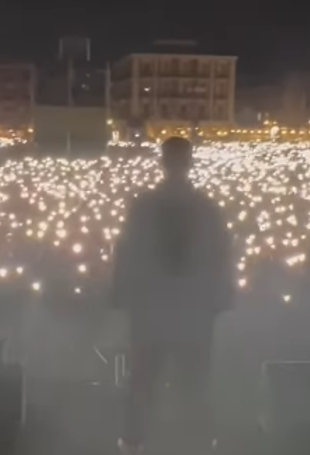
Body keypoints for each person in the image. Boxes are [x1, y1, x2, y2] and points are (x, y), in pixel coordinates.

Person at [112, 136, 234, 454]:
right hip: (191, 313)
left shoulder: (144, 206)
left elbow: (127, 254)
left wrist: (124, 299)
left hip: (152, 311)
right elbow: (220, 258)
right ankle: (194, 444)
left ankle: (133, 443)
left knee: (142, 381)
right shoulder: (205, 208)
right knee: (191, 383)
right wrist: (217, 302)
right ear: (189, 162)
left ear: (163, 162)